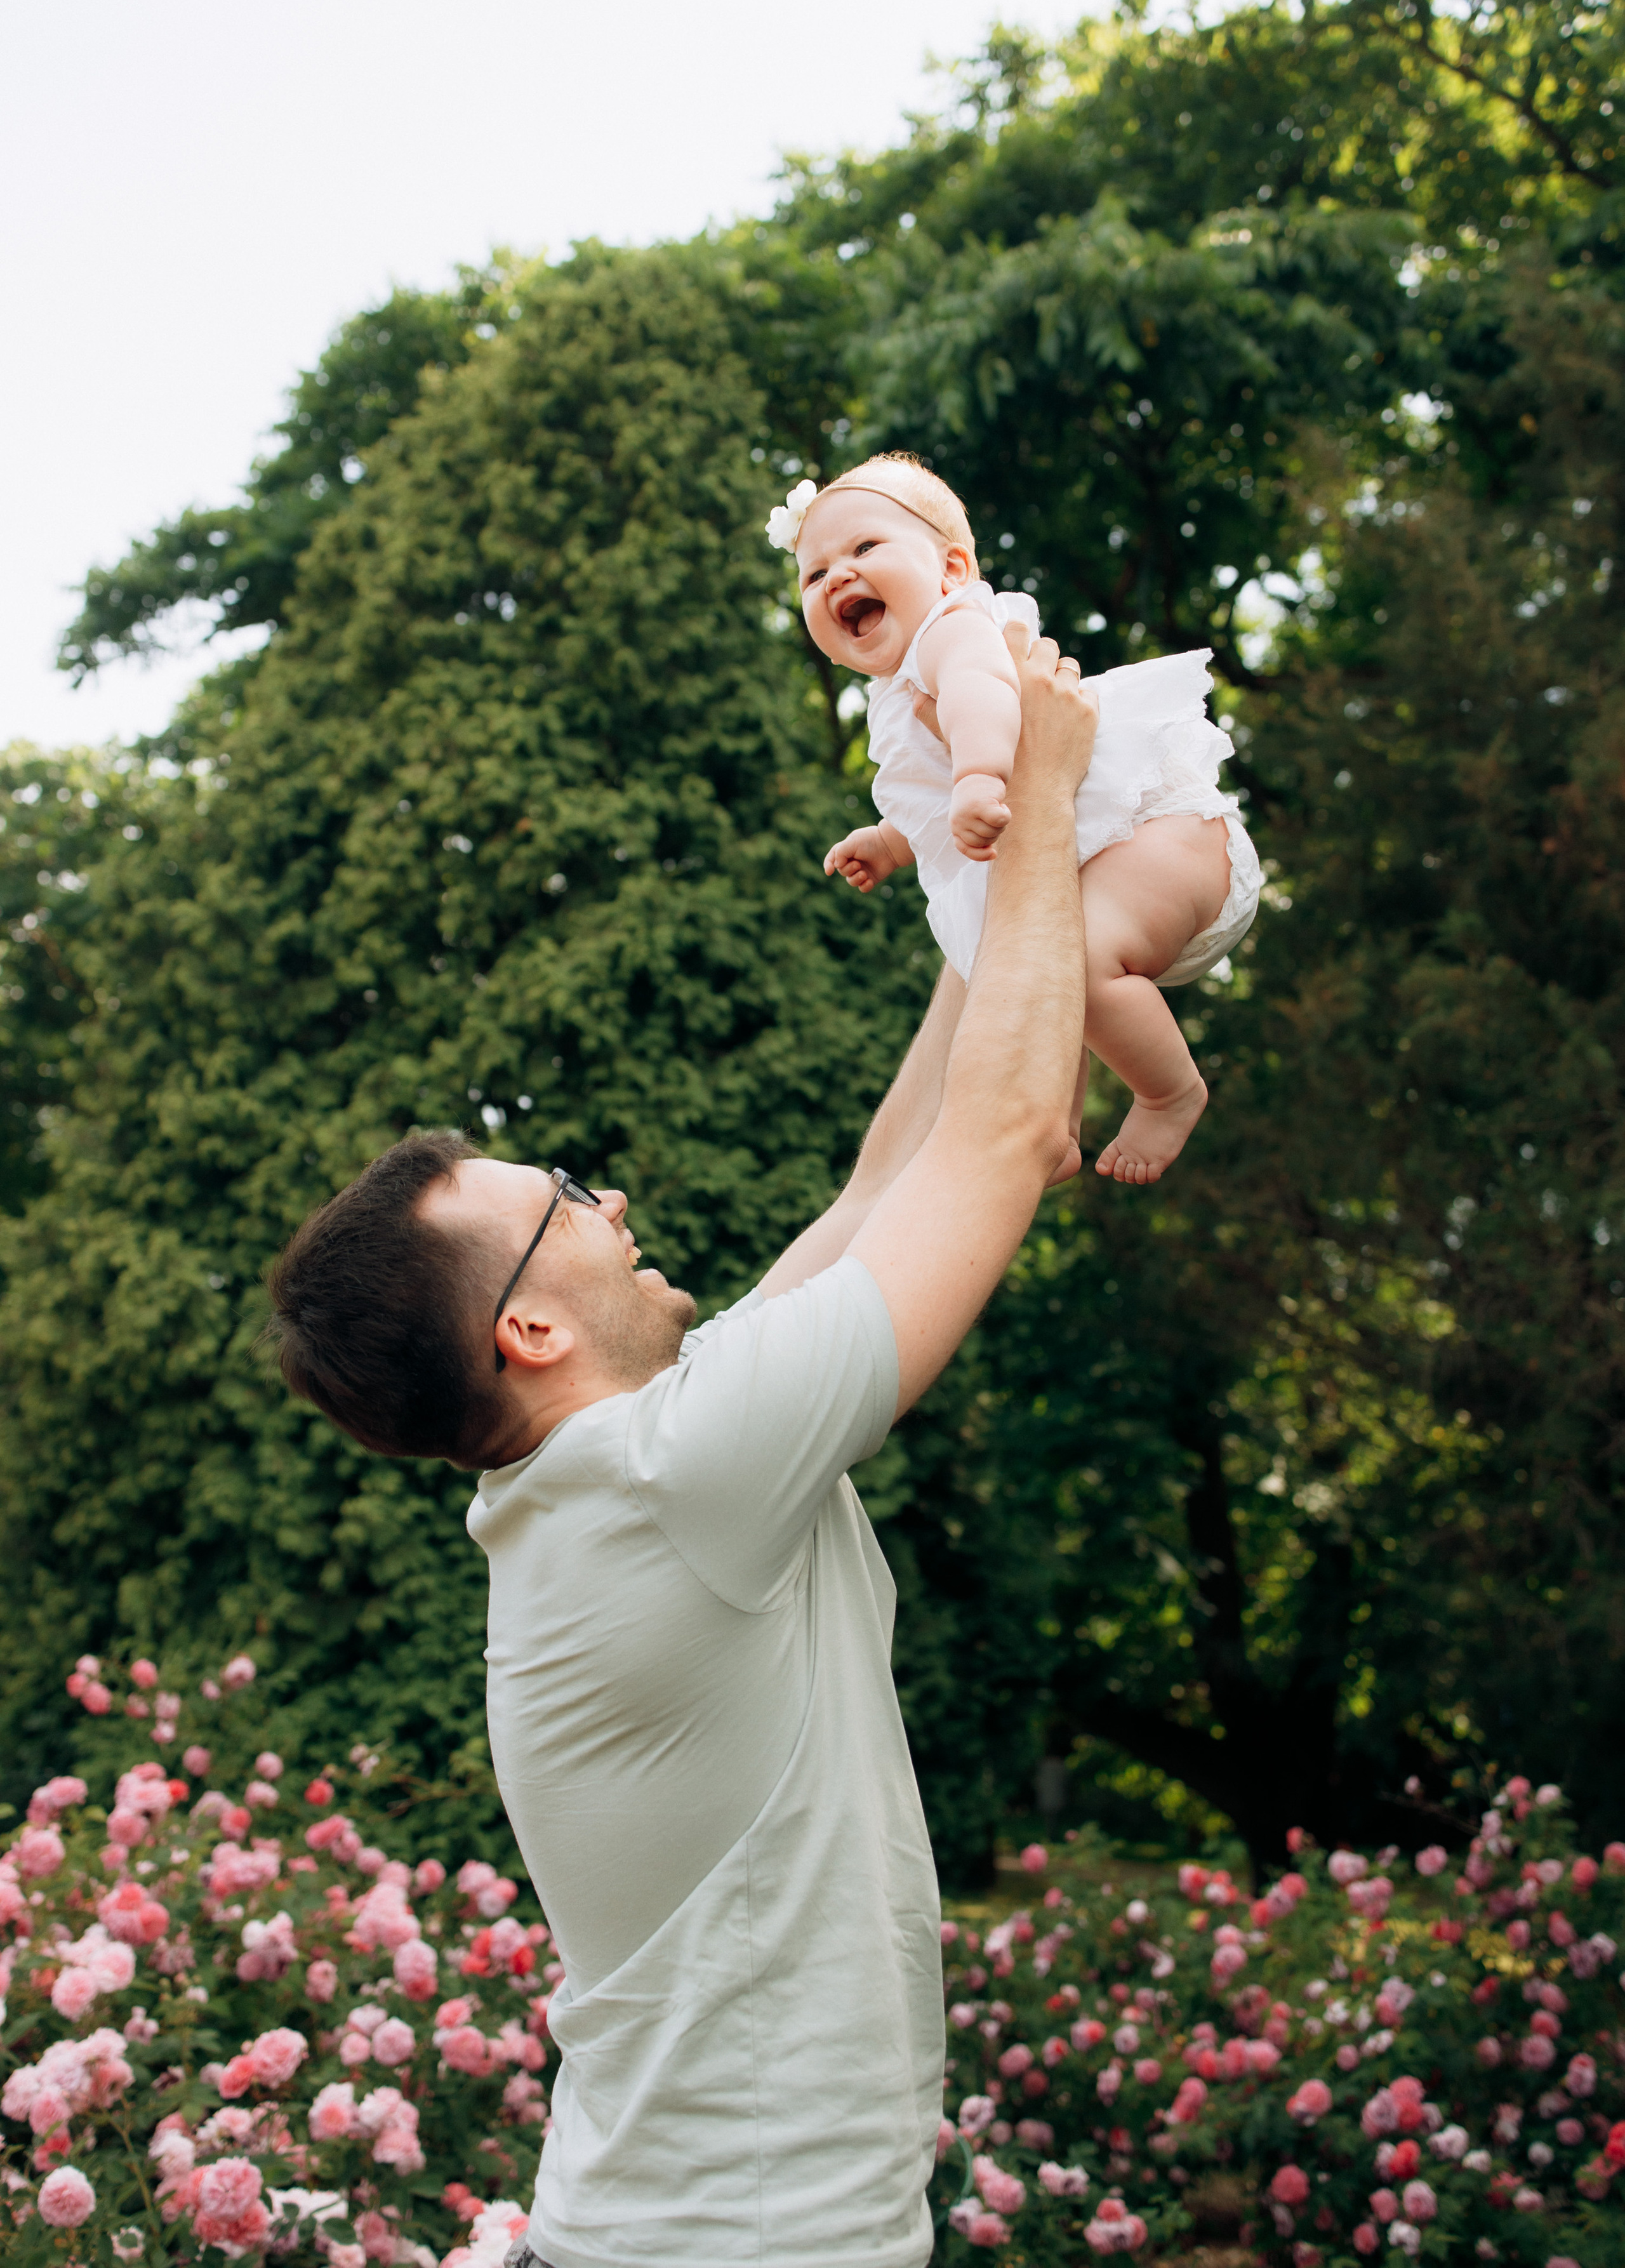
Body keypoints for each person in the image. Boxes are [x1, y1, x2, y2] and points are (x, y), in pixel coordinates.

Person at [263, 635, 1095, 2268]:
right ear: (527, 1328)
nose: (612, 1197)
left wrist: (971, 846)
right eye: (567, 1198)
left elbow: (886, 1185)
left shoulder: (637, 1471)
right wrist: (1055, 795)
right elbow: (999, 1138)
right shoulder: (672, 1478)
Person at [771, 454, 1262, 1186]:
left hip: (1158, 837)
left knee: (1076, 961)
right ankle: (1054, 1124)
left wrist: (979, 775)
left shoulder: (952, 631)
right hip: (1110, 868)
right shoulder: (895, 696)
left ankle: (1169, 1093)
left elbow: (982, 698)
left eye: (865, 547)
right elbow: (927, 809)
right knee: (1038, 979)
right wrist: (886, 844)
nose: (838, 576)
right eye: (814, 575)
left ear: (951, 570)